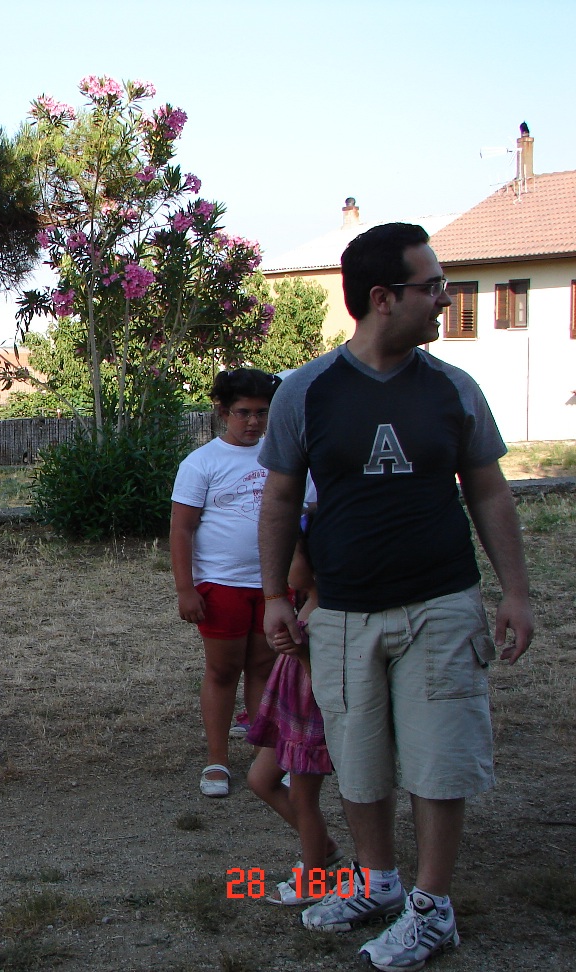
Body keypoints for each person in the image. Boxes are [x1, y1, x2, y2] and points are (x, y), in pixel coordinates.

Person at [258, 223, 534, 971]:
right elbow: (280, 498)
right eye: (432, 286)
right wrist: (275, 594)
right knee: (358, 757)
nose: (444, 299)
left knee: (440, 758)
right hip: (343, 612)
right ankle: (378, 883)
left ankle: (432, 908)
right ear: (383, 298)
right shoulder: (306, 391)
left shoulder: (453, 388)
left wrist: (515, 591)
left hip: (441, 604)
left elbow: (489, 491)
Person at [170, 368, 281, 798]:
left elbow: (303, 512)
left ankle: (265, 758)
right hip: (221, 584)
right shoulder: (202, 463)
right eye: (243, 412)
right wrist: (186, 589)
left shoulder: (281, 455)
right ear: (222, 412)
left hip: (272, 585)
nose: (253, 422)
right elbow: (181, 529)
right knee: (222, 670)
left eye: (261, 413)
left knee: (264, 668)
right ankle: (217, 758)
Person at [246, 511, 342, 906]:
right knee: (260, 779)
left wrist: (301, 653)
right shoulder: (302, 602)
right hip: (290, 714)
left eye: (292, 556)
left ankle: (314, 878)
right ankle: (323, 849)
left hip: (311, 722)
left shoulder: (328, 616)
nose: (283, 566)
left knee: (304, 801)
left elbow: (328, 684)